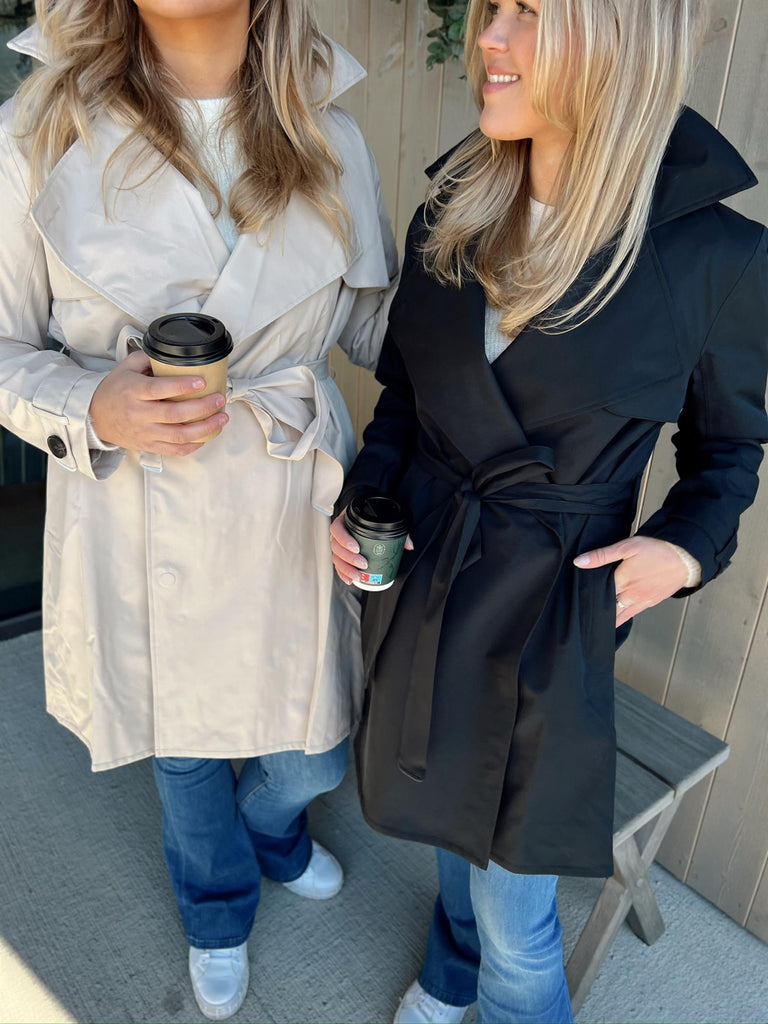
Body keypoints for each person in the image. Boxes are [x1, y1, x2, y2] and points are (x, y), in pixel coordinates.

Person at [330, 0, 768, 1021]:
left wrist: (683, 553)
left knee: (519, 922)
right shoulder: (455, 205)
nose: (488, 35)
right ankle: (448, 972)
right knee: (442, 801)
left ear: (618, 35)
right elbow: (406, 396)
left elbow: (727, 451)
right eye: (494, 7)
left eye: (530, 12)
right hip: (429, 570)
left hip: (553, 611)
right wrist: (367, 501)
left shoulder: (714, 257)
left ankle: (482, 976)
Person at [0, 1, 397, 1019]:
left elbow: (374, 322)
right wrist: (90, 403)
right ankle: (215, 908)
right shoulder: (40, 131)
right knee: (183, 745)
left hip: (287, 494)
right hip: (140, 503)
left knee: (312, 750)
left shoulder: (329, 133)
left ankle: (271, 826)